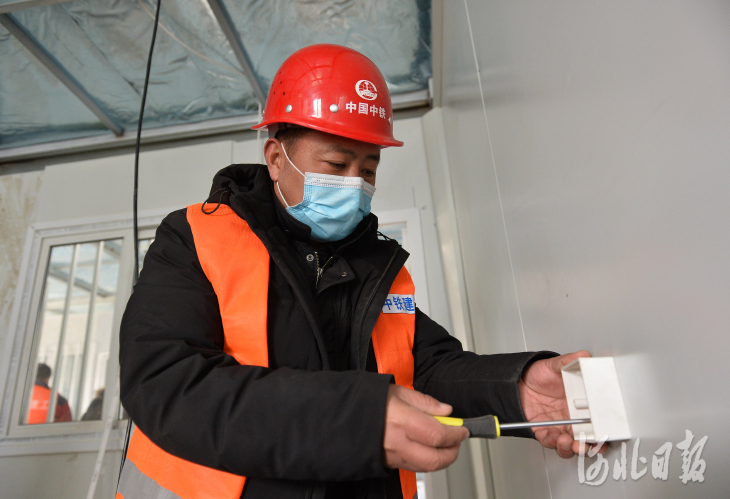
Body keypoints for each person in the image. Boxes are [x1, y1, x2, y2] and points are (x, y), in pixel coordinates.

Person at [118, 44, 601, 499]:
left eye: (368, 170)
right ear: (275, 159)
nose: (354, 186)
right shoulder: (196, 238)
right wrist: (357, 419)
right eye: (336, 164)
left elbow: (424, 369)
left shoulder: (373, 264)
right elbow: (165, 381)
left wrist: (516, 389)